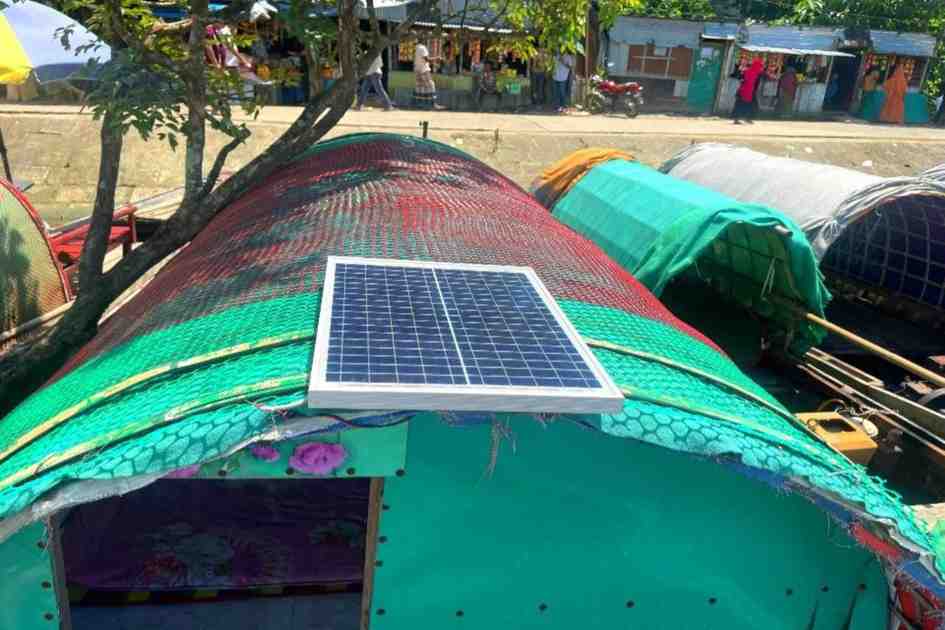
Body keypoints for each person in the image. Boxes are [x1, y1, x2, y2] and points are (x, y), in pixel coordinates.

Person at [413, 40, 444, 110]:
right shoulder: (422, 48)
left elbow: (422, 60)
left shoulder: (416, 48)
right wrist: (437, 58)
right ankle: (434, 104)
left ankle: (419, 104)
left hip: (417, 69)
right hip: (424, 70)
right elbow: (426, 59)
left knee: (420, 87)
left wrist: (433, 63)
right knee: (431, 85)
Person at [732, 58, 763, 124]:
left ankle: (744, 118)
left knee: (743, 105)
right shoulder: (754, 73)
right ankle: (741, 119)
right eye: (760, 66)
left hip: (746, 91)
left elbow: (741, 79)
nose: (761, 68)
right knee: (744, 105)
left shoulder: (751, 72)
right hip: (746, 91)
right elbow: (741, 78)